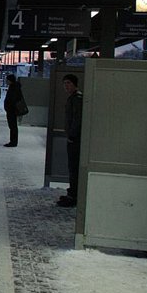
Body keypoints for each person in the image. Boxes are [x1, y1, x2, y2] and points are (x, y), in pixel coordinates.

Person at [58, 74, 83, 207]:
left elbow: (77, 119)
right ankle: (72, 192)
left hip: (76, 139)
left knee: (74, 167)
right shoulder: (73, 98)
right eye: (64, 83)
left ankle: (74, 195)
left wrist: (72, 135)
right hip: (73, 138)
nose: (66, 86)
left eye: (68, 83)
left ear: (74, 84)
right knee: (72, 167)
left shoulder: (77, 99)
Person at [3, 74, 23, 147]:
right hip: (11, 110)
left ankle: (13, 142)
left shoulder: (14, 88)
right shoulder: (14, 87)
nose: (6, 81)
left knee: (13, 126)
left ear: (10, 80)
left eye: (7, 80)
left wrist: (9, 107)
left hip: (12, 110)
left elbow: (13, 99)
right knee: (12, 126)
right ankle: (13, 141)